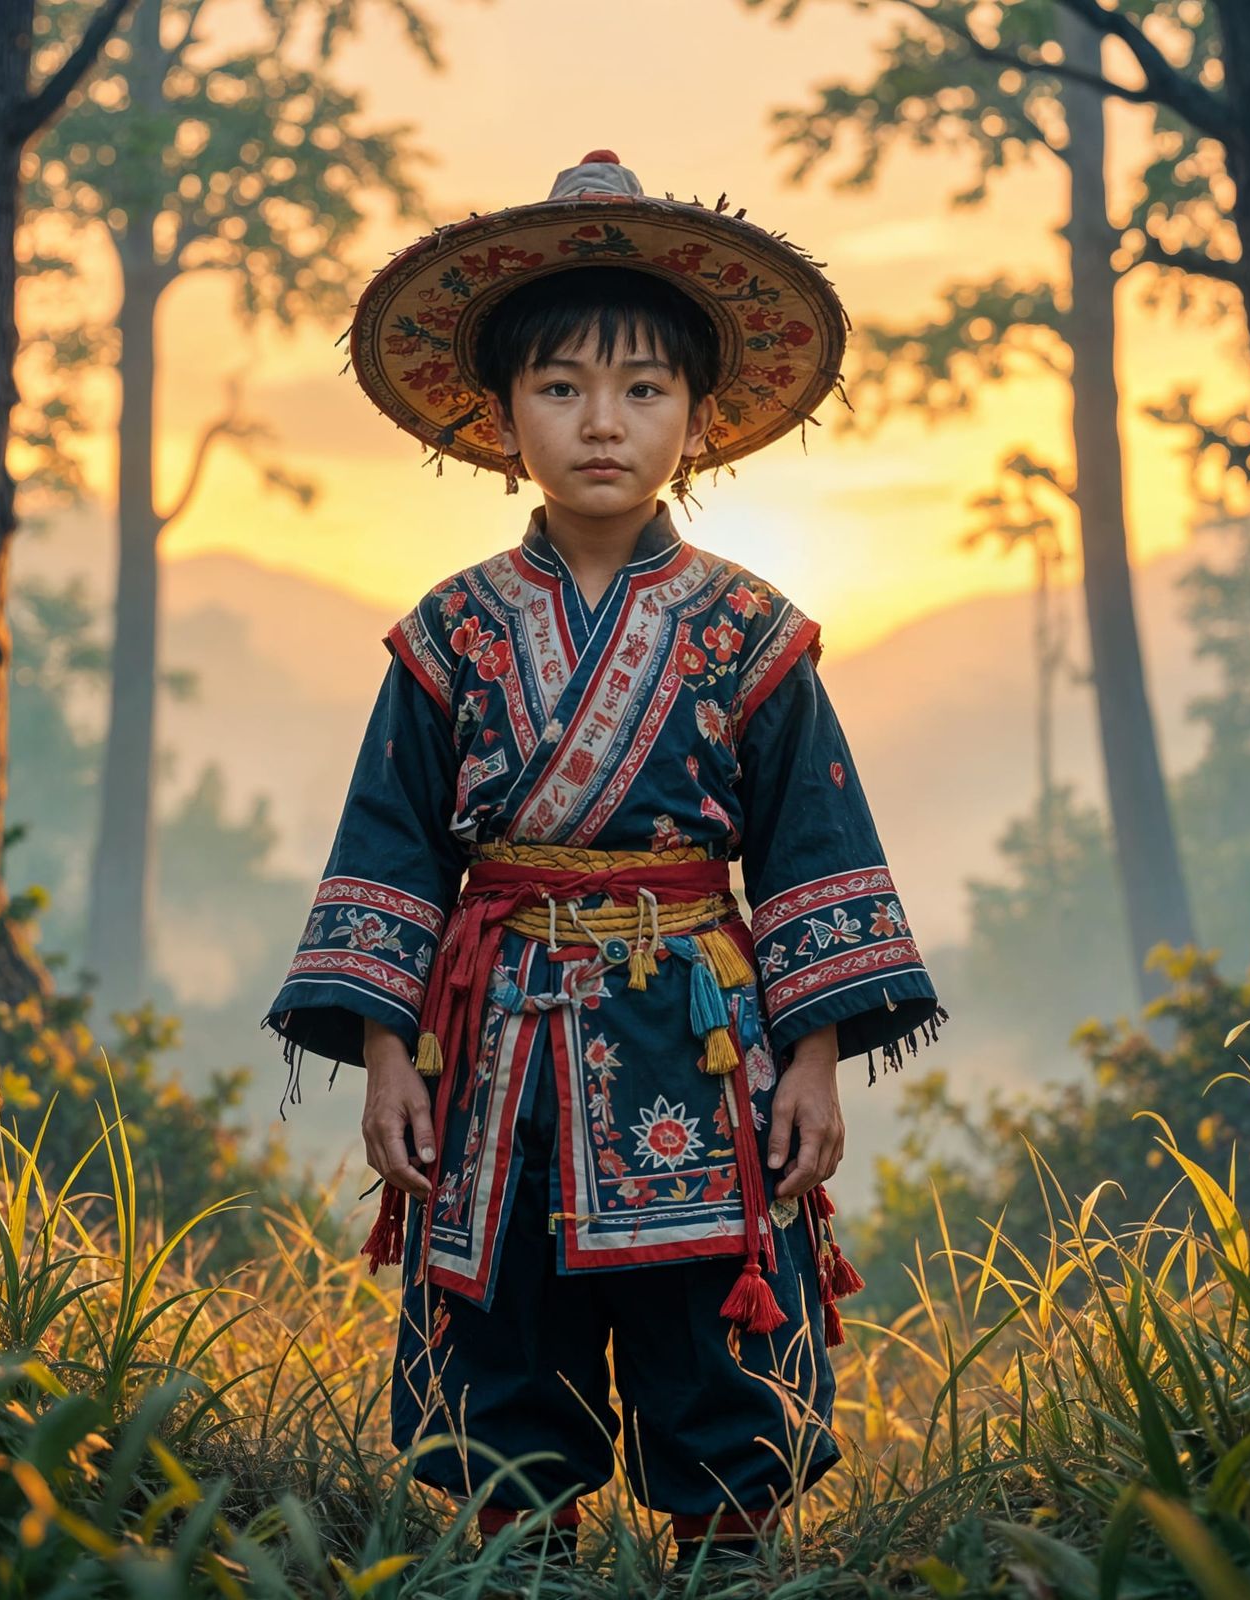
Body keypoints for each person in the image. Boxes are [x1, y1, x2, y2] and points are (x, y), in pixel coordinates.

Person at [260, 152, 946, 1569]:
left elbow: (813, 849)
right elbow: (391, 849)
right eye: (561, 387)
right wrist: (388, 1052)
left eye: (642, 391)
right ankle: (520, 1557)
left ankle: (732, 1554)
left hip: (698, 1034)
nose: (602, 424)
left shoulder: (755, 635)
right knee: (508, 1314)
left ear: (699, 421)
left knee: (713, 1312)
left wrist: (812, 1060)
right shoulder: (447, 632)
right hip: (493, 1040)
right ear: (503, 419)